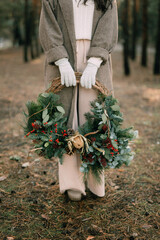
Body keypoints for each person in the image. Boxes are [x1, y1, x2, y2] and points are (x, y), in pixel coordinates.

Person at [39, 0, 118, 201]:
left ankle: (95, 180)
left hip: (95, 59)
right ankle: (72, 182)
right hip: (64, 57)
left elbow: (108, 26)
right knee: (66, 118)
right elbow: (48, 26)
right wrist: (61, 60)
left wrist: (94, 61)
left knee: (93, 117)